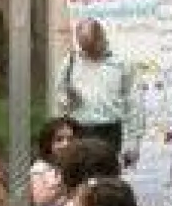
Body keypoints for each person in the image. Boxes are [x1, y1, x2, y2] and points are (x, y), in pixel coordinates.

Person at [56, 19, 139, 165]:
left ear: (102, 37)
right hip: (79, 131)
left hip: (109, 132)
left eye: (91, 47)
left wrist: (133, 141)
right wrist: (69, 100)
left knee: (106, 182)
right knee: (79, 180)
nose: (88, 53)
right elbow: (60, 97)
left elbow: (132, 103)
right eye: (84, 48)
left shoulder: (122, 62)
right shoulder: (70, 62)